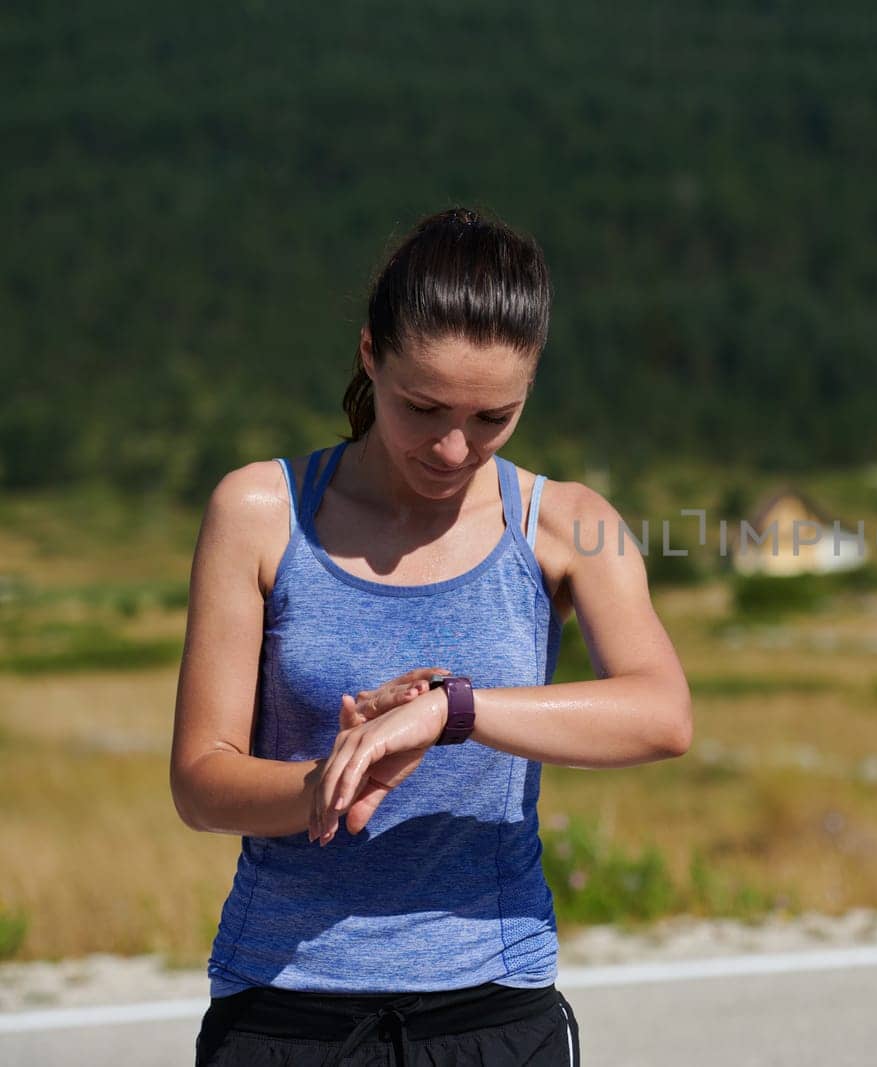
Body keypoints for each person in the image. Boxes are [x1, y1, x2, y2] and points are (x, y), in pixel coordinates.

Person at [170, 207, 693, 1065]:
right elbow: (200, 780)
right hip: (285, 1005)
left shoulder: (565, 521)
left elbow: (662, 713)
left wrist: (452, 711)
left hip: (491, 1007)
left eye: (493, 417)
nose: (455, 448)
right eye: (423, 407)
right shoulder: (260, 512)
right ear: (370, 355)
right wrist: (331, 781)